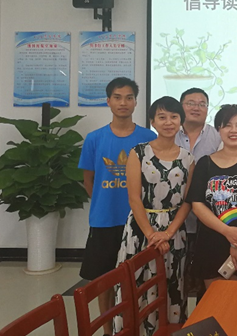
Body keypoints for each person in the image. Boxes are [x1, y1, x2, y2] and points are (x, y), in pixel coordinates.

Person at [78, 77, 156, 336]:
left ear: (136, 102)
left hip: (139, 221)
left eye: (129, 97)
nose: (124, 103)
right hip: (104, 220)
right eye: (118, 97)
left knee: (138, 277)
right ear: (108, 101)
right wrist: (104, 201)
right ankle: (107, 330)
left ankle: (135, 325)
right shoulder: (94, 138)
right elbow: (88, 180)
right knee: (104, 281)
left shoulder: (148, 137)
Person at [114, 97, 195, 334]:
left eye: (174, 117)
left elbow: (187, 202)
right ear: (152, 121)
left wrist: (168, 233)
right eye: (162, 117)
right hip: (141, 230)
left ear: (181, 121)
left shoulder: (188, 158)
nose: (168, 122)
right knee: (136, 284)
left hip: (174, 231)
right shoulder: (138, 153)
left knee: (172, 284)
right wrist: (152, 235)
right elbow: (134, 198)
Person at [186, 105, 237, 288]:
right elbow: (197, 205)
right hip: (212, 243)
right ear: (219, 129)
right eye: (227, 125)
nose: (233, 130)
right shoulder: (204, 164)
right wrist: (227, 232)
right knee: (217, 300)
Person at [175, 88, 222, 238]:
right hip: (173, 214)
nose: (196, 108)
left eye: (202, 104)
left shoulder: (219, 137)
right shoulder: (169, 134)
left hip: (209, 215)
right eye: (190, 103)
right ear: (181, 106)